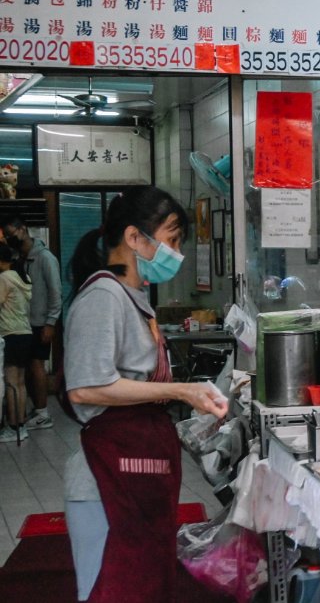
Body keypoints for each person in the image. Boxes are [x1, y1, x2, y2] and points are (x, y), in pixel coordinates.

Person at [63, 187, 228, 602]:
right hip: (105, 479)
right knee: (113, 587)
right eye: (171, 240)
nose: (176, 253)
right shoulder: (102, 296)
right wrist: (181, 390)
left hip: (137, 469)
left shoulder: (134, 297)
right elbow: (86, 386)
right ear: (135, 238)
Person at [0, 214, 62, 430]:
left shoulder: (45, 258)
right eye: (7, 236)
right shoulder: (18, 259)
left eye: (12, 233)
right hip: (23, 324)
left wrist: (51, 323)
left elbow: (56, 292)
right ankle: (31, 410)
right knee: (24, 369)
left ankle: (43, 413)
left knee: (37, 366)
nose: (10, 238)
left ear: (23, 228)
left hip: (41, 322)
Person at [0, 243, 32, 443]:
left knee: (11, 383)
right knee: (20, 383)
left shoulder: (4, 279)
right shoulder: (23, 277)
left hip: (10, 334)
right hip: (25, 333)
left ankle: (13, 427)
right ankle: (21, 425)